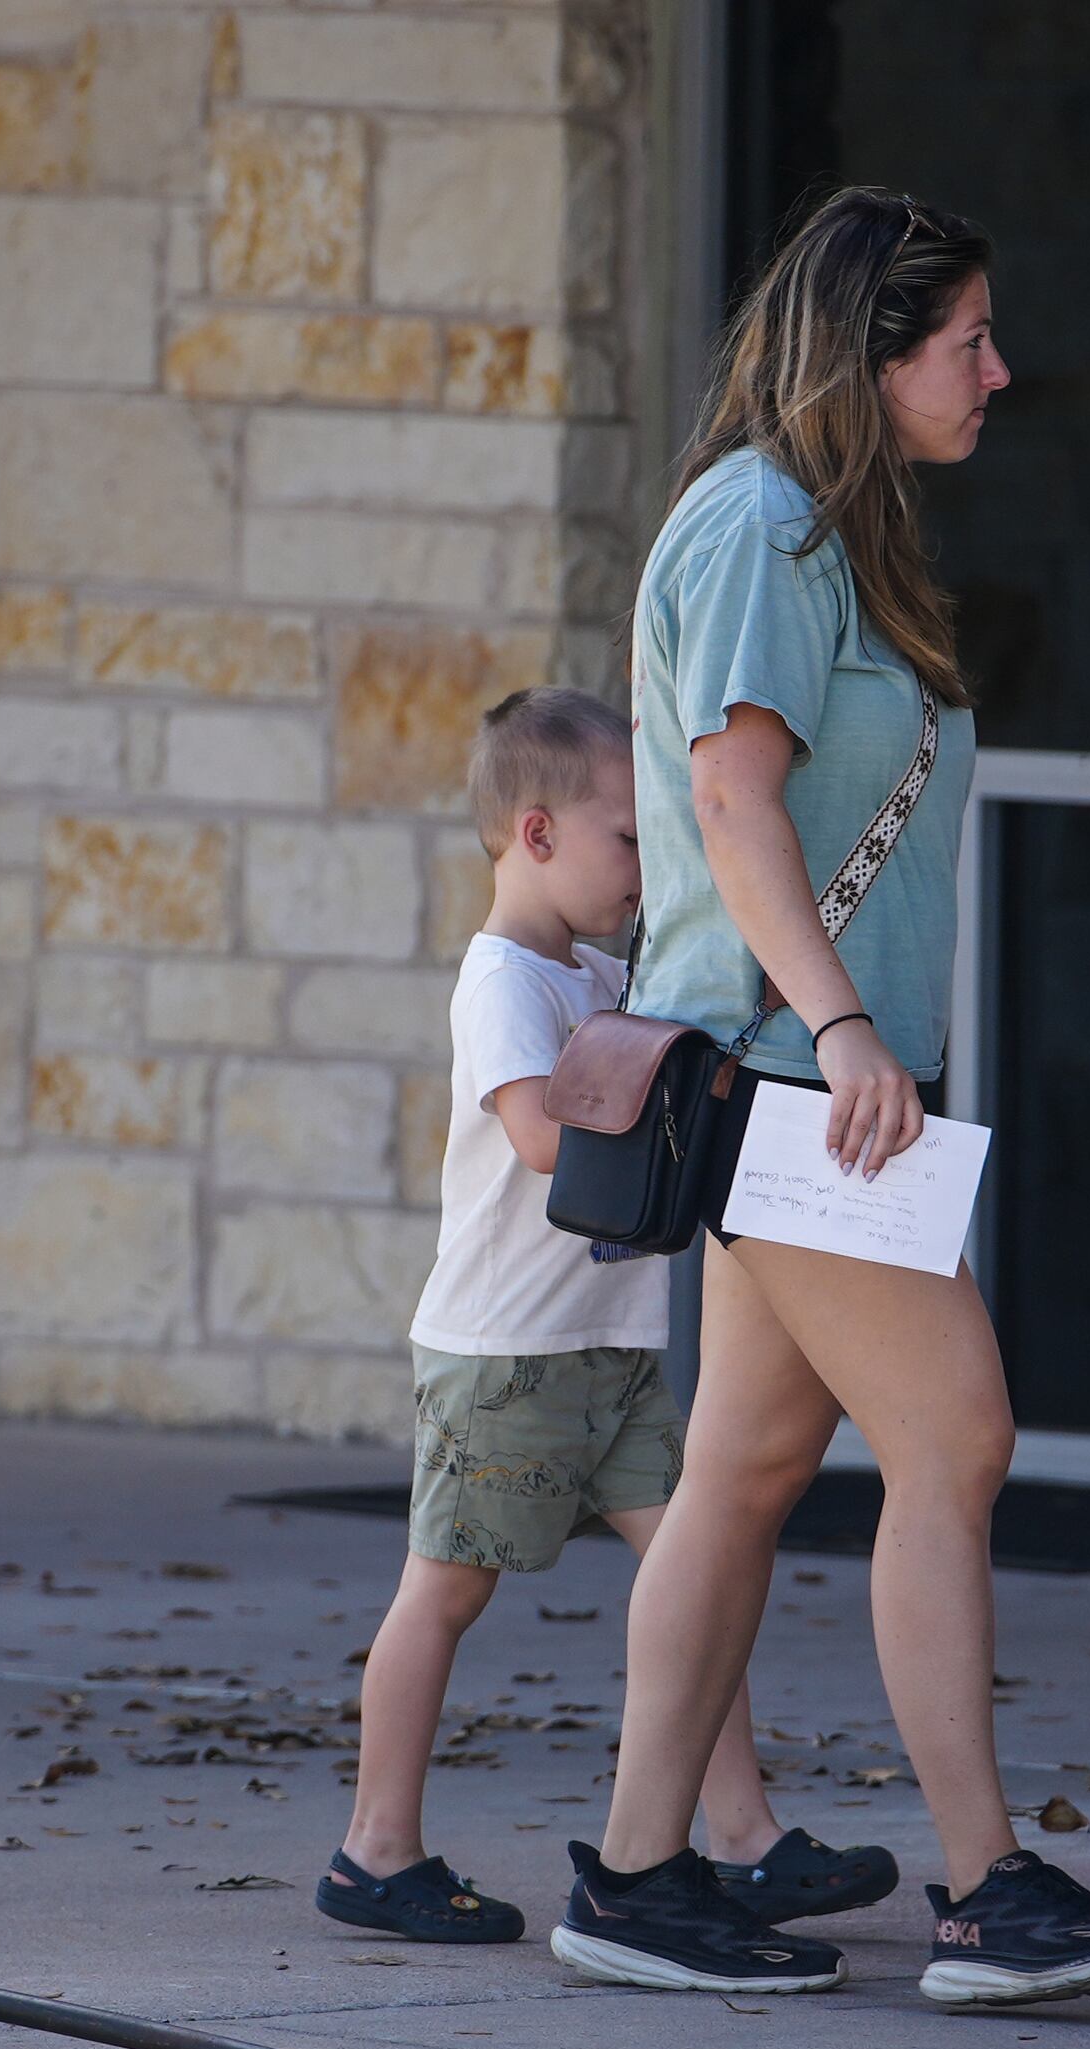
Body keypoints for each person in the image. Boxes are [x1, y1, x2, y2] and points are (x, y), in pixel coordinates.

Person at [546, 188, 1090, 2005]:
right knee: (959, 1435)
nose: (1002, 368)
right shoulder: (761, 525)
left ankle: (640, 1876)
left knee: (745, 1473)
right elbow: (736, 810)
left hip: (804, 1085)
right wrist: (842, 1036)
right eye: (968, 339)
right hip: (787, 1085)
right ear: (870, 349)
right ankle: (986, 1889)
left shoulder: (830, 529)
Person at [318, 686, 895, 1948]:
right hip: (505, 1358)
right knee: (444, 1595)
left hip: (616, 1350)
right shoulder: (505, 984)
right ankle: (375, 1848)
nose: (644, 872)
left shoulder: (596, 971)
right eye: (628, 843)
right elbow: (537, 1136)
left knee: (703, 1566)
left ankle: (742, 1837)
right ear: (535, 836)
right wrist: (660, 1065)